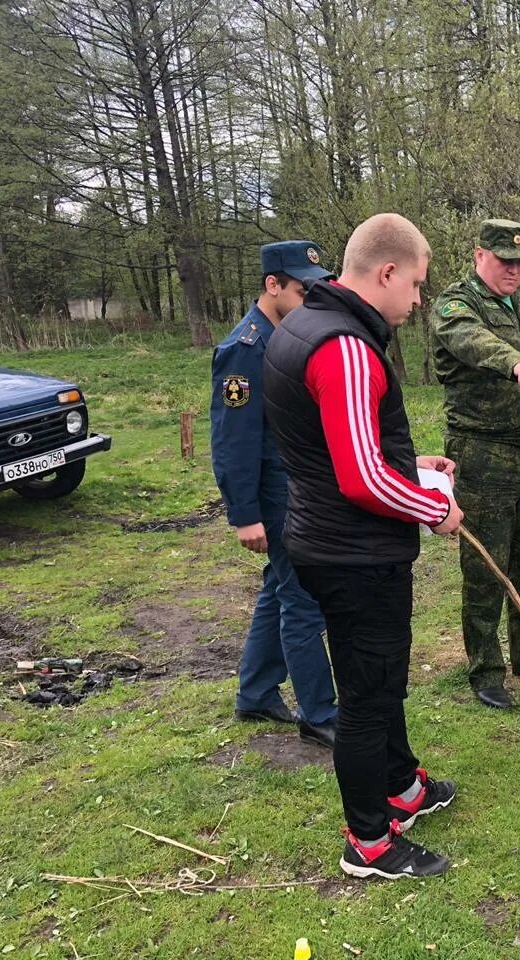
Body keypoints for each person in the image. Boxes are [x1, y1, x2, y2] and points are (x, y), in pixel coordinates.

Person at [262, 213, 464, 880]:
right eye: (416, 285)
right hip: (353, 554)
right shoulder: (345, 348)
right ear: (385, 273)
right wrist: (434, 505)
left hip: (333, 540)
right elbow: (362, 477)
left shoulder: (304, 326)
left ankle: (403, 784)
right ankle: (370, 842)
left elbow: (338, 446)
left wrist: (418, 465)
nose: (417, 301)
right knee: (368, 694)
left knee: (379, 677)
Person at [428, 219, 520, 709]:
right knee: (486, 565)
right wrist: (514, 363)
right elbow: (472, 342)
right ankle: (485, 668)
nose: (514, 270)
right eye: (505, 260)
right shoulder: (457, 305)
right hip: (482, 453)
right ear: (479, 255)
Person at [210, 241, 338, 748]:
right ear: (273, 286)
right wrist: (244, 514)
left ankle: (257, 691)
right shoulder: (245, 350)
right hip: (275, 495)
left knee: (280, 589)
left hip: (297, 487)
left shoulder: (286, 337)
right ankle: (319, 711)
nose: (311, 297)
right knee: (305, 598)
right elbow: (232, 441)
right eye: (303, 289)